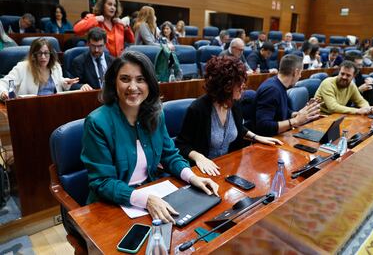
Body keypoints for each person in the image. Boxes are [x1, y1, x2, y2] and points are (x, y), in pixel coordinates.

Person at [81, 51, 219, 223]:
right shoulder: (97, 122)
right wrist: (146, 200)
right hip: (112, 205)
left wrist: (192, 177)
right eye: (125, 79)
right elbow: (102, 181)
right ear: (113, 83)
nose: (133, 87)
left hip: (152, 192)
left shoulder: (156, 114)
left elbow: (169, 155)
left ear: (150, 84)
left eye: (140, 79)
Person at [175, 56, 282, 176]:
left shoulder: (234, 103)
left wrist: (256, 137)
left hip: (228, 166)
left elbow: (236, 128)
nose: (243, 87)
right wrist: (199, 157)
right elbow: (181, 144)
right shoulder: (198, 109)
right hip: (205, 171)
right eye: (239, 83)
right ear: (225, 86)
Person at [254, 54, 320, 136]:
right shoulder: (272, 90)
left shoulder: (280, 84)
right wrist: (295, 121)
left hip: (278, 137)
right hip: (267, 142)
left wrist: (296, 114)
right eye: (300, 73)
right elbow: (263, 126)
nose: (300, 76)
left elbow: (279, 109)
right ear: (295, 72)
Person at [0, 38, 79, 100]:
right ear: (34, 55)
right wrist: (5, 93)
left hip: (54, 105)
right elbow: (5, 83)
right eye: (39, 53)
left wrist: (64, 82)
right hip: (29, 108)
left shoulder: (56, 67)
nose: (43, 57)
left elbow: (58, 82)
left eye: (46, 53)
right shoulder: (22, 68)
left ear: (51, 54)